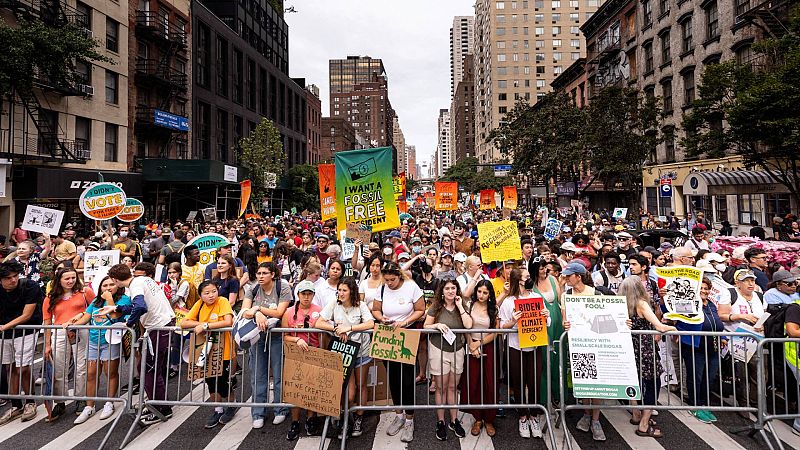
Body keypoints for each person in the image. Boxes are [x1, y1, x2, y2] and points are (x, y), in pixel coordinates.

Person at [94, 263, 176, 426]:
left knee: (148, 370)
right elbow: (137, 305)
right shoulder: (143, 280)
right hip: (163, 325)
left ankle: (161, 408)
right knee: (149, 368)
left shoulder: (135, 285)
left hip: (158, 328)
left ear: (115, 280)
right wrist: (115, 308)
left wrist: (129, 323)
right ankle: (158, 404)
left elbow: (140, 307)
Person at [371, 262, 425, 443]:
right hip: (388, 337)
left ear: (399, 276)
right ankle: (399, 414)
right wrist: (381, 318)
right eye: (386, 280)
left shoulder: (411, 287)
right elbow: (375, 309)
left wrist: (405, 321)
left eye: (392, 280)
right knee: (393, 379)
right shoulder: (382, 288)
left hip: (406, 336)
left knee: (407, 380)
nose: (389, 283)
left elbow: (420, 309)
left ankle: (409, 419)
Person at [65, 276, 130, 424]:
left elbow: (114, 315)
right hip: (93, 341)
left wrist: (109, 299)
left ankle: (109, 402)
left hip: (110, 341)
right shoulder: (96, 301)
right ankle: (89, 406)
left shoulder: (123, 300)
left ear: (118, 286)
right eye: (104, 285)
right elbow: (87, 317)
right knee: (91, 374)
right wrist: (71, 324)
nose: (108, 288)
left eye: (111, 285)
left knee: (110, 372)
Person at [315, 277, 375, 438]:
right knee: (349, 392)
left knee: (362, 385)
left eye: (344, 290)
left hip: (361, 351)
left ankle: (359, 417)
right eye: (339, 290)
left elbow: (370, 323)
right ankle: (345, 418)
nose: (341, 293)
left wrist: (350, 328)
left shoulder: (360, 305)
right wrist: (335, 327)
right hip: (345, 353)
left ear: (351, 291)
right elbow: (319, 322)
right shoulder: (334, 304)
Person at [618, 277, 675, 438]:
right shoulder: (642, 304)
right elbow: (660, 326)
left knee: (633, 381)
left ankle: (636, 414)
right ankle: (644, 424)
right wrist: (674, 328)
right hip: (646, 349)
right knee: (653, 383)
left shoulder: (621, 306)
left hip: (630, 348)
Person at [499, 267, 550, 439]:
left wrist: (546, 315)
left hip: (535, 347)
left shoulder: (537, 297)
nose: (530, 278)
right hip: (516, 347)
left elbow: (547, 322)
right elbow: (502, 326)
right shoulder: (508, 302)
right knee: (519, 383)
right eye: (527, 276)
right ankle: (522, 417)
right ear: (519, 280)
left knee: (534, 382)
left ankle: (534, 416)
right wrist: (513, 320)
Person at [240, 262, 290, 428]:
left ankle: (280, 409)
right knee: (258, 375)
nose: (260, 276)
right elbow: (245, 311)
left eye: (264, 273)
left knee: (279, 374)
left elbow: (279, 312)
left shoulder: (282, 287)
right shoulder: (252, 288)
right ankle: (258, 412)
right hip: (256, 336)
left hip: (277, 336)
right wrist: (257, 313)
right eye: (258, 273)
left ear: (272, 275)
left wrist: (257, 309)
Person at [180, 280, 236, 428]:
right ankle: (218, 409)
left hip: (223, 349)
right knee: (210, 380)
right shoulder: (199, 304)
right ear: (200, 295)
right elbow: (184, 323)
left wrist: (206, 325)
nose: (211, 295)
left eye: (214, 291)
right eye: (207, 293)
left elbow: (228, 321)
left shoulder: (222, 301)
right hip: (205, 350)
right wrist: (199, 324)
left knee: (224, 381)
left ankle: (231, 405)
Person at [42, 267, 95, 421]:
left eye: (73, 277)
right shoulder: (50, 297)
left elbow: (95, 308)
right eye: (67, 278)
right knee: (59, 368)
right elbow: (47, 322)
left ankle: (81, 399)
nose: (71, 281)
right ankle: (60, 401)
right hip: (59, 331)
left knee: (81, 366)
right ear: (59, 280)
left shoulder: (85, 292)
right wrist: (47, 344)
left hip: (81, 330)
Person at [424, 279, 472, 441]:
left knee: (453, 387)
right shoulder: (436, 307)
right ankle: (441, 421)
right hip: (439, 350)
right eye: (447, 288)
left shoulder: (462, 305)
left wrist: (460, 306)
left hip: (457, 350)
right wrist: (436, 325)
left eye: (453, 288)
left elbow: (469, 325)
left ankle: (454, 420)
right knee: (441, 388)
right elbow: (425, 326)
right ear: (442, 291)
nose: (451, 291)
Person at [676, 277, 726, 423]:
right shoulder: (688, 304)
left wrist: (722, 336)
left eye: (706, 288)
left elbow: (716, 322)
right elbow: (675, 317)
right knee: (695, 377)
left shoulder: (711, 304)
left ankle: (703, 404)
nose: (704, 291)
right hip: (695, 346)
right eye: (701, 288)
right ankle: (695, 406)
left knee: (709, 377)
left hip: (713, 347)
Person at [0, 262, 42, 425]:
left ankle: (30, 402)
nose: (13, 280)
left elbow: (27, 315)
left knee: (23, 367)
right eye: (8, 278)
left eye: (15, 276)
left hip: (27, 330)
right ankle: (16, 405)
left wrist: (4, 327)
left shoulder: (29, 286)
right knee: (9, 368)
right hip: (5, 334)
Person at [282, 279, 323, 439]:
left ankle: (311, 418)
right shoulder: (289, 312)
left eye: (309, 294)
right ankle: (295, 421)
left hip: (314, 353)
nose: (306, 297)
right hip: (295, 355)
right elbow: (284, 335)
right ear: (298, 294)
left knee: (312, 387)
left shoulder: (319, 311)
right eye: (303, 294)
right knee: (296, 389)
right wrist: (297, 339)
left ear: (313, 295)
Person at [462, 279, 499, 437]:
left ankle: (489, 419)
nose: (481, 295)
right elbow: (465, 327)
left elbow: (495, 332)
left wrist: (479, 343)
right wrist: (472, 344)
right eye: (479, 291)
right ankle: (477, 418)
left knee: (489, 383)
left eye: (485, 292)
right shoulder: (469, 305)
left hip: (488, 347)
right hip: (472, 347)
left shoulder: (494, 309)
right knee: (474, 382)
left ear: (490, 294)